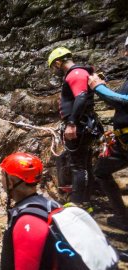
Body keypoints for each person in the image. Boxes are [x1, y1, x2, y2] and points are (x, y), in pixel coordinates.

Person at [48, 47, 100, 204]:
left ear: (58, 63)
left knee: (79, 167)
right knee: (84, 166)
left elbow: (81, 97)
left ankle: (78, 207)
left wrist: (71, 124)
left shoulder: (75, 73)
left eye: (53, 68)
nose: (54, 71)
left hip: (80, 126)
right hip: (84, 125)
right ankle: (85, 204)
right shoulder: (78, 73)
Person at [87, 37, 128, 230]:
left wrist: (99, 87)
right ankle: (122, 218)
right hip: (123, 141)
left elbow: (122, 102)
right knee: (101, 171)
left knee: (101, 172)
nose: (125, 53)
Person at [0, 152, 59, 269]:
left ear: (11, 182)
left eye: (3, 175)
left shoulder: (26, 222)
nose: (1, 179)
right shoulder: (51, 205)